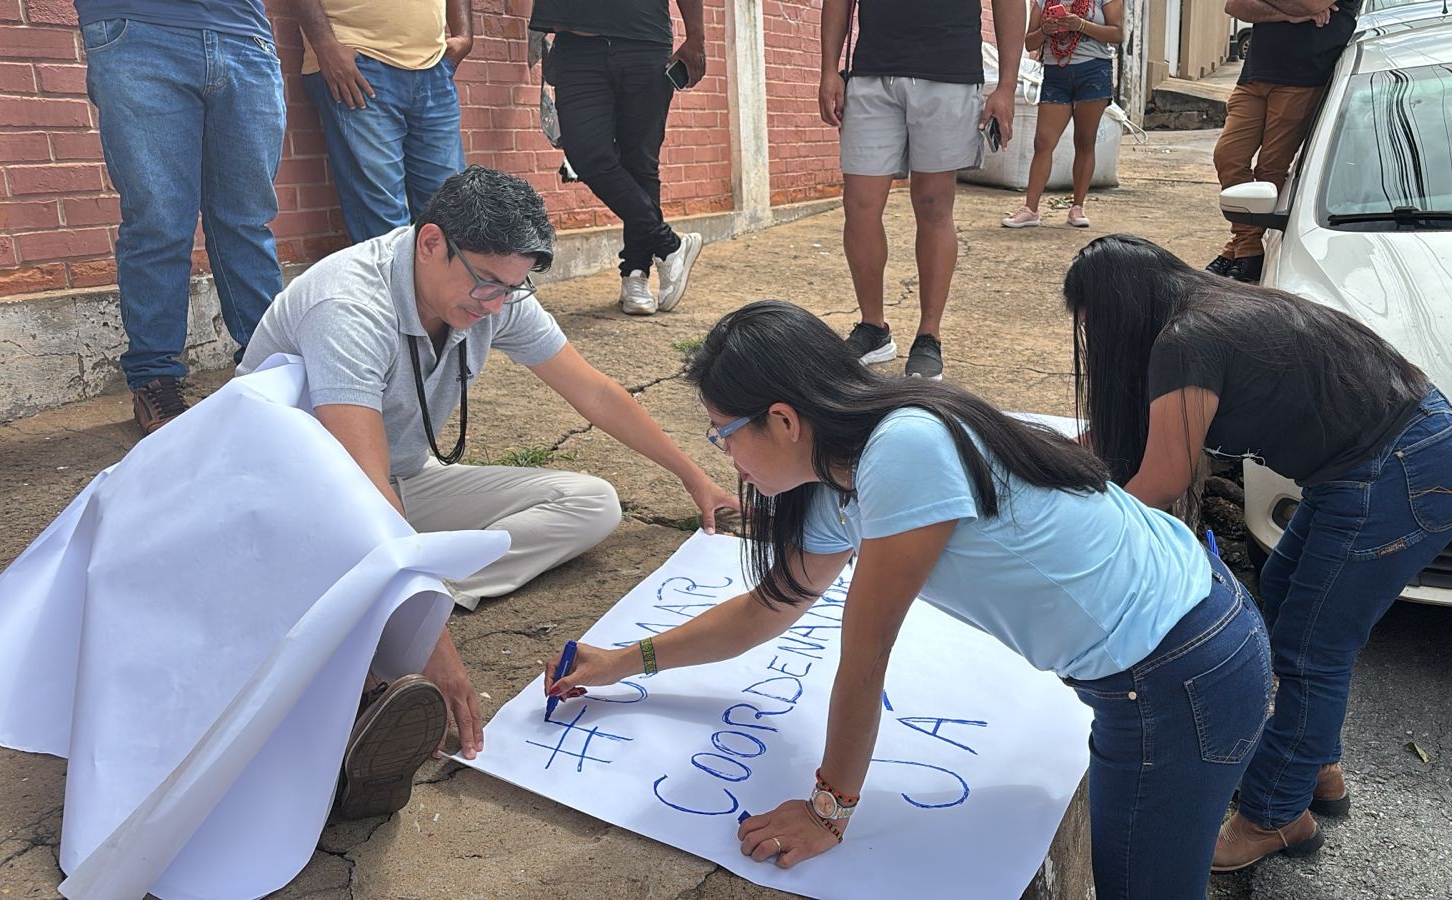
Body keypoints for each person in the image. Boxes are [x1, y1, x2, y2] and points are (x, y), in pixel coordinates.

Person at [542, 300, 1273, 897]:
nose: (724, 457)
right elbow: (769, 609)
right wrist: (624, 662)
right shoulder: (835, 481)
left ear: (785, 421)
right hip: (1164, 662)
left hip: (1182, 672)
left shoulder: (905, 450)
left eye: (723, 437)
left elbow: (864, 659)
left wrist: (830, 811)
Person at [236, 165, 737, 813]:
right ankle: (381, 638)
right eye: (486, 285)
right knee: (360, 587)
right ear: (430, 244)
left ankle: (390, 605)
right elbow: (358, 487)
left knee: (590, 505)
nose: (496, 305)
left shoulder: (494, 289)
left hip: (400, 479)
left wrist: (697, 478)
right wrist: (436, 651)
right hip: (296, 506)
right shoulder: (348, 307)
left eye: (513, 287)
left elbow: (594, 392)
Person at [1064, 235, 1452, 872]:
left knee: (1311, 649)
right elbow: (1136, 438)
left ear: (1120, 309)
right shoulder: (1200, 310)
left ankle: (1275, 816)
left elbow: (1164, 479)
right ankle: (1318, 770)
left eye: (1096, 326)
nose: (1097, 342)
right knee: (1288, 589)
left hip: (1397, 472)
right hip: (1394, 454)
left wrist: (1072, 548)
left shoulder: (1186, 339)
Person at [75, 0, 286, 434]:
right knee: (159, 223)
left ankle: (272, 366)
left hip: (244, 33)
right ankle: (155, 379)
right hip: (137, 29)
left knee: (247, 222)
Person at [821, 0, 1026, 380]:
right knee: (860, 205)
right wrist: (828, 70)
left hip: (948, 71)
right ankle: (873, 327)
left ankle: (928, 335)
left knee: (933, 205)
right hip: (872, 72)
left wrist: (1007, 86)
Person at [526, 0, 708, 317]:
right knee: (586, 154)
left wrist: (697, 38)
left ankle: (635, 275)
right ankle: (670, 246)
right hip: (576, 46)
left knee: (640, 162)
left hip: (644, 41)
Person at [295, 0, 475, 242]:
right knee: (383, 223)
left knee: (452, 209)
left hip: (433, 64)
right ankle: (389, 281)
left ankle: (445, 281)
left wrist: (464, 35)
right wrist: (324, 45)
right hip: (358, 61)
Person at [1207, 0, 1359, 283]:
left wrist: (1283, 8)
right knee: (1228, 156)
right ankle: (1245, 246)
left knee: (1271, 169)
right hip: (1255, 74)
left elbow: (1312, 4)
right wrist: (1289, 15)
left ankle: (1242, 249)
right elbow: (1234, 6)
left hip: (1303, 77)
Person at [1001, 0, 1122, 230]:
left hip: (1093, 71)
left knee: (1085, 141)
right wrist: (1045, 30)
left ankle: (1077, 207)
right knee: (1043, 141)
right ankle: (1030, 209)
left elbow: (1117, 34)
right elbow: (1029, 42)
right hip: (1055, 73)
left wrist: (1080, 25)